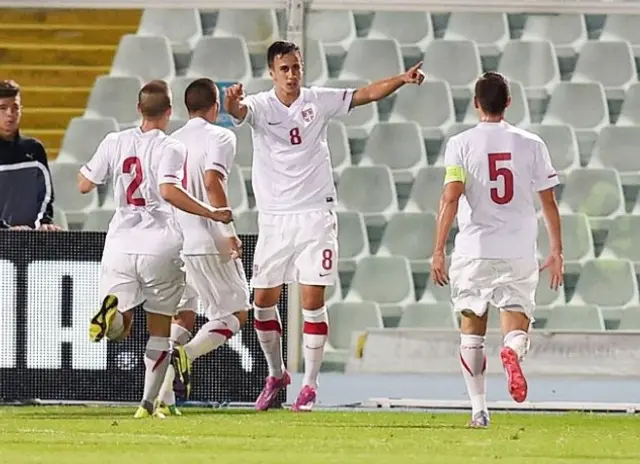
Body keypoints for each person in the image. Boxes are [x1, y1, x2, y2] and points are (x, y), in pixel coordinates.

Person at [224, 40, 425, 412]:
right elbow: (238, 112)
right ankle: (276, 374)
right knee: (263, 303)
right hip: (274, 219)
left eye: (296, 67)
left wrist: (401, 78)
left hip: (316, 214)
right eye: (284, 68)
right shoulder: (261, 105)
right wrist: (231, 103)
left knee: (313, 300)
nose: (291, 74)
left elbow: (365, 94)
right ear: (272, 72)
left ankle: (310, 386)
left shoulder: (318, 100)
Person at [76, 80, 232, 419]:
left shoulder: (114, 141)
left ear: (138, 109)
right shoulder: (171, 147)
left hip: (120, 244)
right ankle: (148, 404)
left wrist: (95, 176)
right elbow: (169, 190)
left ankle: (111, 316)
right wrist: (209, 211)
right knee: (159, 330)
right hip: (160, 244)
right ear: (169, 112)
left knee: (122, 325)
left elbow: (84, 184)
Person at [430, 72, 564, 428]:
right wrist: (557, 250)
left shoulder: (460, 144)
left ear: (476, 104)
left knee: (471, 329)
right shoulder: (531, 143)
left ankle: (478, 410)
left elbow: (450, 197)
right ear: (508, 102)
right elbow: (549, 202)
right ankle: (511, 351)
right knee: (517, 324)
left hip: (475, 248)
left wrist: (438, 250)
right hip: (518, 249)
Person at [155, 78, 250, 416]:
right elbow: (213, 180)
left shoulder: (171, 141)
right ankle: (187, 355)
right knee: (236, 312)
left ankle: (162, 396)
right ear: (216, 108)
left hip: (175, 243)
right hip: (207, 239)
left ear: (186, 108)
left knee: (184, 314)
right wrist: (226, 228)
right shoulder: (222, 136)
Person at [0, 80, 62, 231]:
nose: (10, 114)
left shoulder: (34, 149)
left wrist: (44, 223)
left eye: (15, 107)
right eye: (2, 108)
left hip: (29, 241)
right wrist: (7, 231)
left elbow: (45, 195)